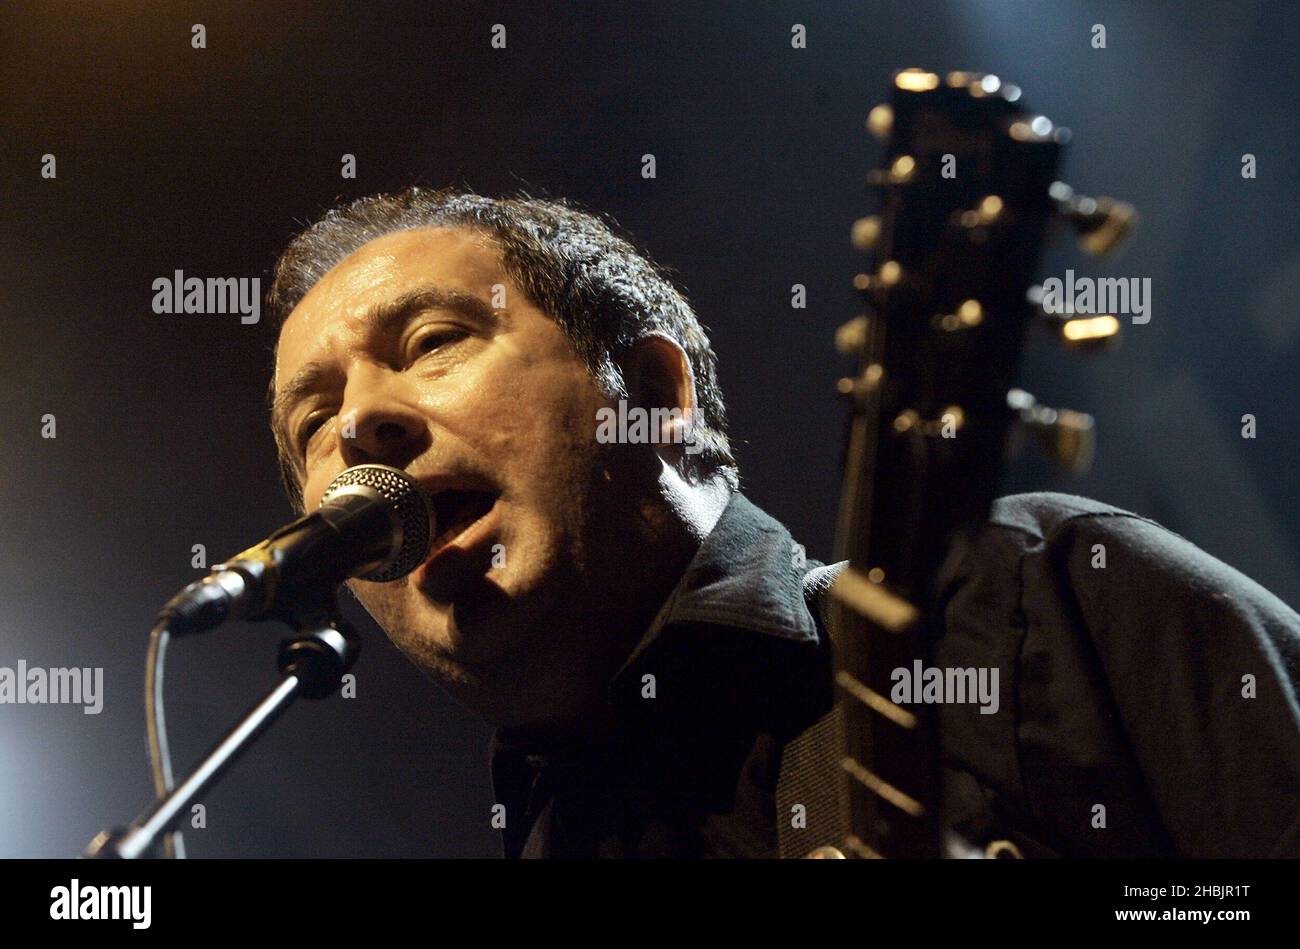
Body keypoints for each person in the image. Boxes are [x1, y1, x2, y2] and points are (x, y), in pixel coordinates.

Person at [265, 187, 1300, 858]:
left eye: (436, 339)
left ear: (652, 392)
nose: (358, 421)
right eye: (314, 420)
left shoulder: (1042, 600)